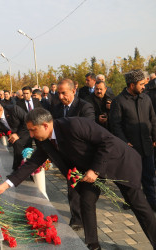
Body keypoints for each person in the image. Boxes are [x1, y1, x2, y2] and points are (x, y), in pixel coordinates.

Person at [0, 108, 156, 250]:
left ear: (45, 125)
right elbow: (32, 163)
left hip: (118, 162)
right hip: (91, 168)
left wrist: (95, 170)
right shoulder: (43, 140)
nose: (31, 134)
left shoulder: (75, 125)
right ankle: (93, 245)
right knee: (87, 200)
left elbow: (108, 142)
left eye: (33, 130)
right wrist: (6, 185)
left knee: (137, 205)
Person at [51, 78, 95, 231]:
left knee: (88, 191)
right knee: (72, 188)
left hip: (85, 155)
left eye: (64, 93)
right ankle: (76, 219)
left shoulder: (85, 107)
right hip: (68, 155)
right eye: (59, 93)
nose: (61, 97)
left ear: (74, 91)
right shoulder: (56, 108)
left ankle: (88, 218)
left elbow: (89, 131)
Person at [110, 69, 156, 211]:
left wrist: (155, 138)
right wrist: (124, 143)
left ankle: (153, 203)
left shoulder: (146, 99)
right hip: (130, 149)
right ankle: (131, 202)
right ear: (131, 85)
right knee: (132, 179)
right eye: (141, 84)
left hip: (147, 146)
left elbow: (153, 120)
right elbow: (115, 125)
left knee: (150, 178)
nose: (144, 86)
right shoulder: (119, 101)